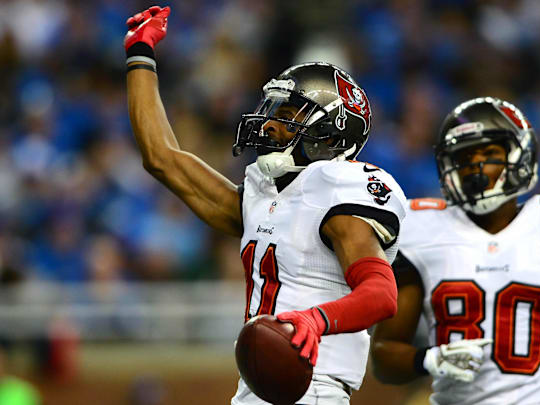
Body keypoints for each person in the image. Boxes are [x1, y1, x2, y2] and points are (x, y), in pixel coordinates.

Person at [124, 6, 406, 405]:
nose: (270, 123)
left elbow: (381, 293)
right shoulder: (265, 194)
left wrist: (315, 319)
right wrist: (141, 56)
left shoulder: (341, 188)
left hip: (313, 386)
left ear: (330, 131)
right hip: (256, 390)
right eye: (272, 111)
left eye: (288, 115)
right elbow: (162, 158)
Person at [370, 97, 540, 405]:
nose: (476, 166)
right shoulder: (424, 230)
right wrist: (429, 360)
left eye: (489, 153)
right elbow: (384, 356)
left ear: (519, 156)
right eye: (465, 156)